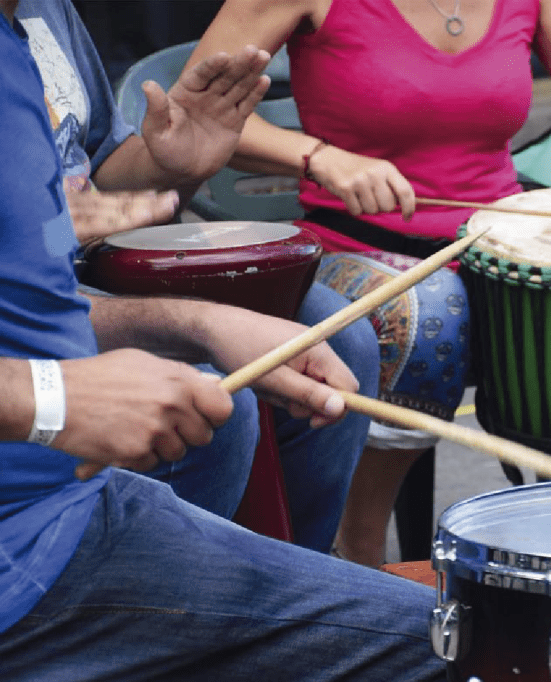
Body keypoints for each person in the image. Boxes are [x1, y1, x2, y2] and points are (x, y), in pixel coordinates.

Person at [184, 0, 551, 567]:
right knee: (430, 312)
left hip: (497, 246)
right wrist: (318, 156)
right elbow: (193, 114)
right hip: (353, 247)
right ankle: (357, 551)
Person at [0, 8, 445, 679]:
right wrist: (52, 395)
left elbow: (41, 271)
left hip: (65, 512)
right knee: (451, 643)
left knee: (327, 341)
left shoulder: (24, 35)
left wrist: (198, 319)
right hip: (28, 556)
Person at [16, 0, 384, 554]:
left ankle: (294, 564)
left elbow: (97, 173)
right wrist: (46, 231)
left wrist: (173, 165)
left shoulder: (47, 9)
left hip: (95, 267)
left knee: (339, 337)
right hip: (29, 306)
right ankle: (165, 593)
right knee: (211, 403)